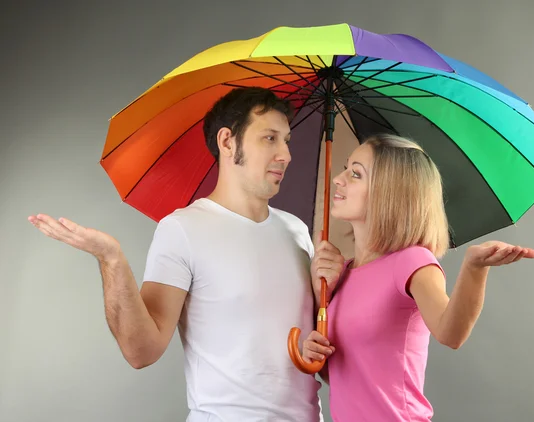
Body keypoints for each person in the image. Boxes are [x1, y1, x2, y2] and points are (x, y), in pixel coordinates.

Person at [28, 87, 345, 422]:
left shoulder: (297, 232)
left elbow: (322, 363)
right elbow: (141, 352)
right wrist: (112, 260)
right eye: (269, 138)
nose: (285, 154)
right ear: (227, 142)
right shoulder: (183, 230)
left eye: (287, 140)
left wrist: (331, 296)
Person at [301, 134, 534, 422]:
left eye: (355, 173)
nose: (338, 179)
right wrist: (316, 333)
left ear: (388, 191)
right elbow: (344, 375)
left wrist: (474, 268)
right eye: (345, 168)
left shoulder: (411, 261)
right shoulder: (343, 274)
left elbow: (450, 334)